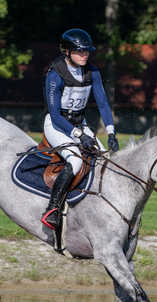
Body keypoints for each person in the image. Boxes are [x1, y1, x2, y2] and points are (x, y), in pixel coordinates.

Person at [41, 28, 119, 230]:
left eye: (86, 51)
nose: (85, 55)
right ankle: (52, 210)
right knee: (75, 161)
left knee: (104, 159)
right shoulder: (55, 75)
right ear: (66, 51)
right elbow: (56, 116)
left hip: (80, 124)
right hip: (57, 125)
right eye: (79, 51)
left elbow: (102, 103)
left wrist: (111, 131)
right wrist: (79, 136)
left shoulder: (92, 72)